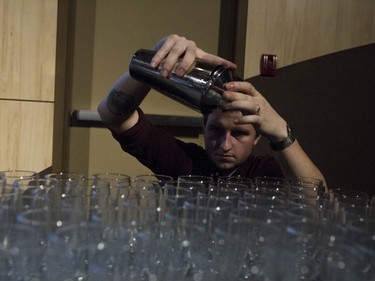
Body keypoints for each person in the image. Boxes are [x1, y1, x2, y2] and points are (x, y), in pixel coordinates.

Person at [97, 34, 326, 187]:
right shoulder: (184, 162)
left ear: (258, 137)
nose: (225, 145)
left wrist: (281, 133)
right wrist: (154, 63)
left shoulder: (266, 172)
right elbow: (113, 115)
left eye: (239, 133)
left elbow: (316, 203)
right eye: (216, 129)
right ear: (203, 127)